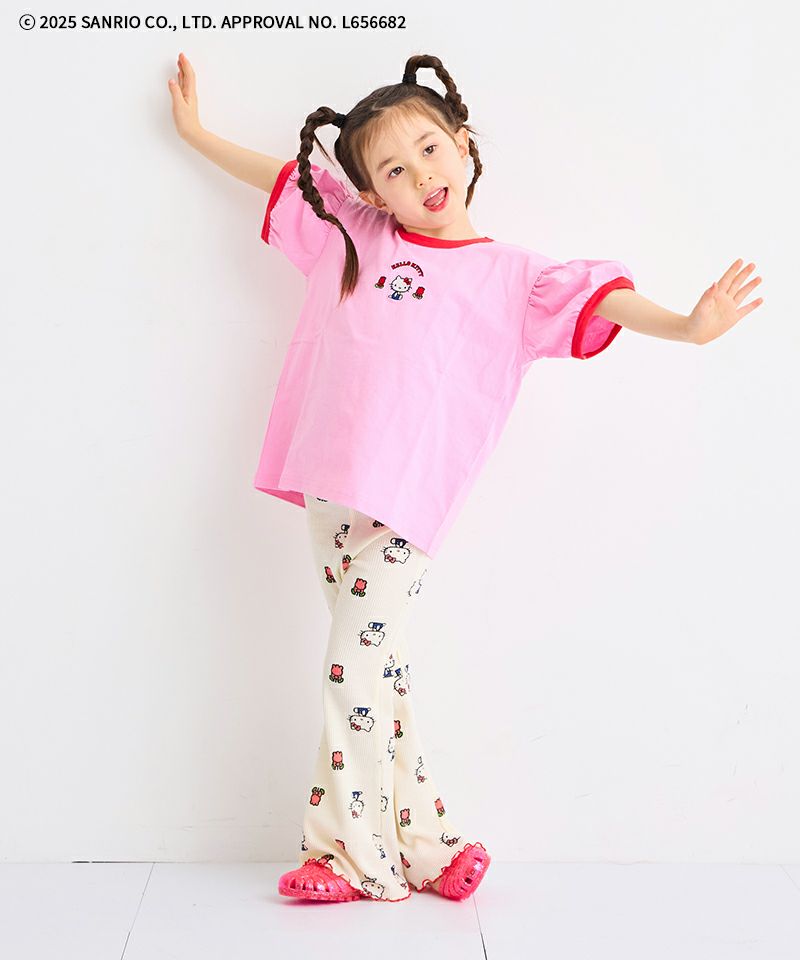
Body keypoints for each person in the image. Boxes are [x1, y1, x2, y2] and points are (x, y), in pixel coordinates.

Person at [167, 51, 764, 904]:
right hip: (330, 486)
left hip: (407, 509)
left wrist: (687, 326)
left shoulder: (515, 277)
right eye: (394, 170)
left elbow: (600, 299)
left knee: (350, 670)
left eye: (430, 149)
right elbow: (285, 180)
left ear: (463, 141)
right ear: (374, 194)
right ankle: (430, 847)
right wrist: (195, 134)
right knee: (379, 672)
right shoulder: (356, 233)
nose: (421, 176)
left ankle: (344, 857)